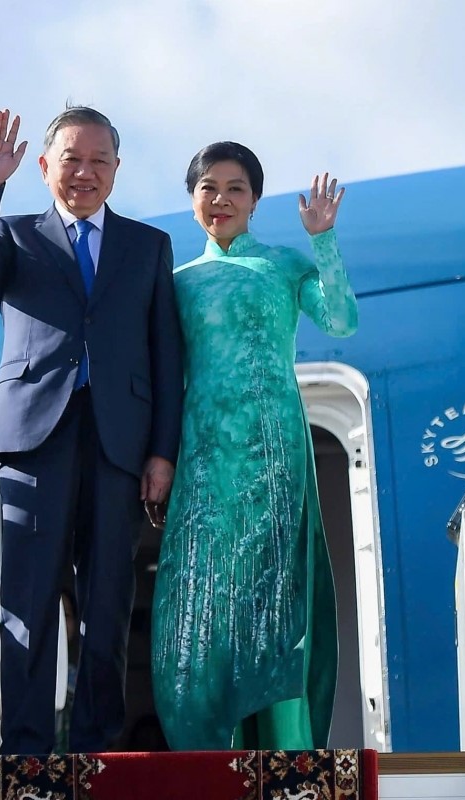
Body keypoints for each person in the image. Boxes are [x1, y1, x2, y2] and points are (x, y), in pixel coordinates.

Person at [0, 107, 184, 754]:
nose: (85, 172)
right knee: (28, 599)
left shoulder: (147, 245)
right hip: (34, 439)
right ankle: (26, 751)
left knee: (107, 599)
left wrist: (162, 453)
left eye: (99, 160)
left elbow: (165, 355)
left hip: (118, 441)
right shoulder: (14, 235)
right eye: (72, 159)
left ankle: (96, 749)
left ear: (116, 169)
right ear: (45, 165)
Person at [150, 142, 358, 751]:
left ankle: (286, 749)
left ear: (256, 201)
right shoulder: (176, 283)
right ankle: (212, 749)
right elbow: (161, 377)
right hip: (205, 458)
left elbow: (342, 321)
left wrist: (323, 240)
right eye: (209, 188)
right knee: (206, 598)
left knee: (276, 597)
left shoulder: (286, 266)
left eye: (236, 188)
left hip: (274, 452)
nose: (222, 200)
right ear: (192, 200)